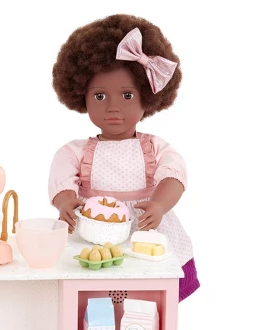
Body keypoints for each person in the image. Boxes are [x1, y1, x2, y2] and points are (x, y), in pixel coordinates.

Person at [48, 14, 199, 302]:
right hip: (93, 232)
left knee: (148, 296)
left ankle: (143, 326)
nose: (113, 107)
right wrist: (66, 202)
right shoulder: (74, 152)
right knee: (91, 292)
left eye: (127, 95)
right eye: (100, 96)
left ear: (148, 97)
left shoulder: (155, 147)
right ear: (82, 97)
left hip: (144, 228)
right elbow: (61, 179)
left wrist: (159, 204)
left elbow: (174, 175)